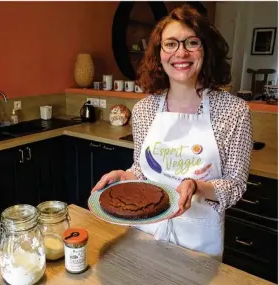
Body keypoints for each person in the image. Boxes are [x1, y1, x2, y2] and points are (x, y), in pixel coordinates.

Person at [92, 5, 253, 261]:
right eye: (170, 44)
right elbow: (143, 169)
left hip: (198, 243)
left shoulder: (233, 111)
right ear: (159, 54)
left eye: (191, 42)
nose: (181, 52)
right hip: (144, 233)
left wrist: (197, 186)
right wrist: (126, 175)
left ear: (206, 49)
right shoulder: (144, 109)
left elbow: (236, 185)